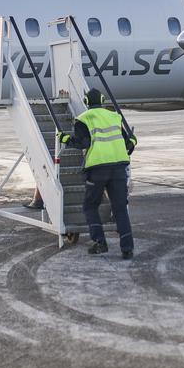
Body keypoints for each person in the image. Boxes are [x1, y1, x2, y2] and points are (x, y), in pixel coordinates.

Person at [59, 89, 137, 259]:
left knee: (90, 206)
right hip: (118, 167)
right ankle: (127, 248)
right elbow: (127, 143)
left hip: (98, 168)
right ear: (102, 100)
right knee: (120, 208)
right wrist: (133, 141)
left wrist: (64, 139)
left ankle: (100, 242)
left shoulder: (83, 119)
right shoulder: (114, 116)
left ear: (86, 101)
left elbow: (83, 143)